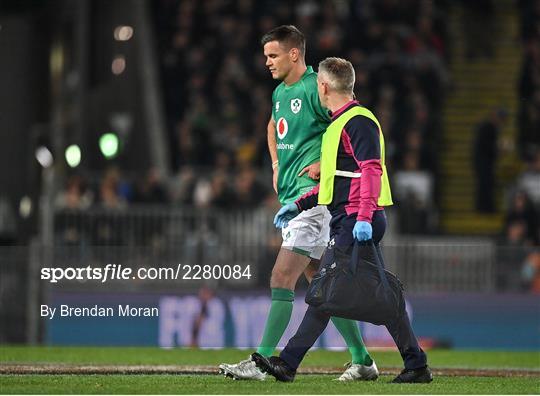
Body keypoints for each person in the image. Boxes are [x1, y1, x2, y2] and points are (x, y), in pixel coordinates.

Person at [251, 57, 432, 384]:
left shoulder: (357, 121)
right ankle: (415, 363)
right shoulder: (340, 123)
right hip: (349, 217)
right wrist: (300, 204)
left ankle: (288, 364)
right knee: (369, 294)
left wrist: (362, 217)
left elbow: (371, 171)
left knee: (324, 291)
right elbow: (336, 181)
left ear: (322, 86)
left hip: (357, 219)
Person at [219, 26, 377, 382]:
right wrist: (275, 165)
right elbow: (273, 125)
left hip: (316, 200)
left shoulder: (314, 87)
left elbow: (347, 124)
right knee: (320, 283)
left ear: (294, 54)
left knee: (281, 276)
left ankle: (261, 362)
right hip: (293, 198)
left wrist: (327, 162)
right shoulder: (279, 92)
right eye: (265, 57)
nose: (267, 63)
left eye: (273, 56)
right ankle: (362, 358)